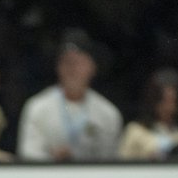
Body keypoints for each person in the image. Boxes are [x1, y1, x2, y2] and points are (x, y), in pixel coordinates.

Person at [18, 30, 122, 162]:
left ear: (93, 67)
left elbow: (110, 162)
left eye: (79, 63)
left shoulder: (108, 114)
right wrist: (52, 160)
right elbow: (28, 155)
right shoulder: (37, 107)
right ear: (58, 67)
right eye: (67, 62)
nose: (72, 69)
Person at [118, 68, 178, 161]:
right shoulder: (136, 132)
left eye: (173, 101)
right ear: (153, 101)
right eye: (163, 100)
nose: (167, 107)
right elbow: (122, 166)